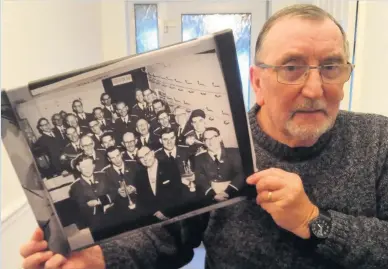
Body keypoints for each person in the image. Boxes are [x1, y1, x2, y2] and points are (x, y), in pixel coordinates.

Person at [20, 4, 388, 269]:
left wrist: (313, 220)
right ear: (257, 82)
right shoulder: (221, 144)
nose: (313, 88)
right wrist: (98, 260)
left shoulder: (379, 140)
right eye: (291, 68)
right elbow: (166, 237)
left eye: (331, 67)